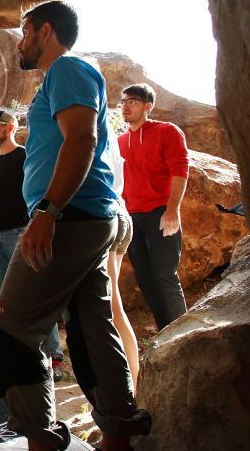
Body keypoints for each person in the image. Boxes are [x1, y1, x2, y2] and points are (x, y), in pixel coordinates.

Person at [0, 0, 149, 451]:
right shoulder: (63, 78)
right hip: (82, 216)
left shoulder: (68, 70)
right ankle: (119, 433)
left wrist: (48, 212)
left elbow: (82, 138)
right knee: (91, 327)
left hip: (69, 217)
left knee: (10, 329)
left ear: (44, 31)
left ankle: (42, 440)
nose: (20, 42)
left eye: (24, 32)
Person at [0, 108, 67, 382]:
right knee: (3, 300)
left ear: (10, 127)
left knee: (35, 293)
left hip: (21, 233)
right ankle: (12, 358)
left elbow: (42, 190)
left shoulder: (25, 156)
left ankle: (54, 357)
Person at [118, 83, 189, 331]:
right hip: (131, 218)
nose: (125, 106)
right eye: (123, 101)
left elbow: (180, 170)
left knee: (164, 275)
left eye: (132, 101)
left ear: (148, 106)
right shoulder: (119, 141)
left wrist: (172, 210)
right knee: (146, 279)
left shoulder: (167, 131)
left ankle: (183, 334)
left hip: (161, 213)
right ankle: (166, 334)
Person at [105, 129, 140, 390]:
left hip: (107, 216)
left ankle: (132, 386)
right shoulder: (109, 132)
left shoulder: (87, 128)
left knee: (111, 309)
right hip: (121, 213)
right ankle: (136, 382)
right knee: (114, 306)